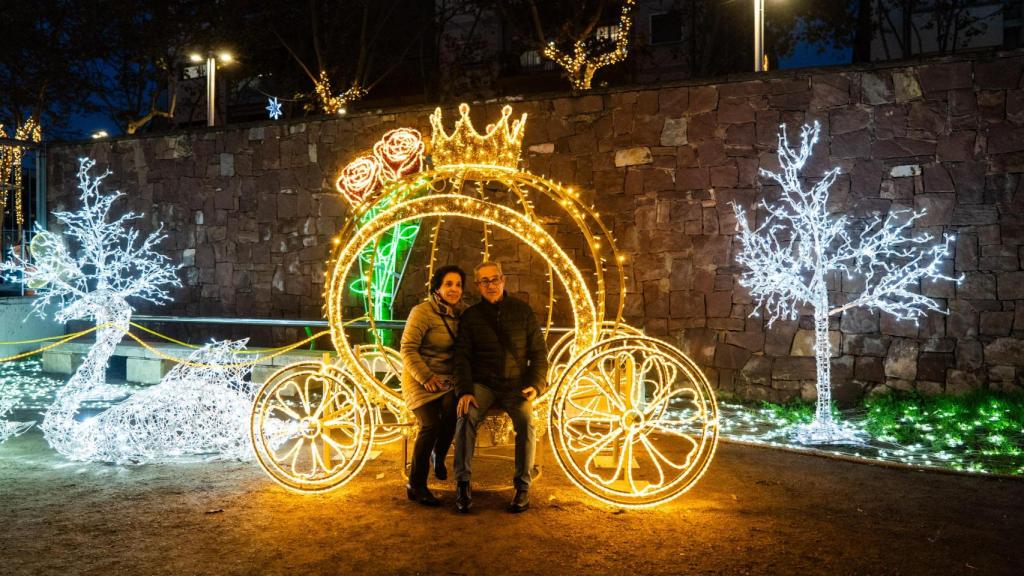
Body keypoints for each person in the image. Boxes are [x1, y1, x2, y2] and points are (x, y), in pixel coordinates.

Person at [452, 261, 548, 513]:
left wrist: (536, 385)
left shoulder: (522, 311)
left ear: (503, 280)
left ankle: (522, 487)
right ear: (478, 285)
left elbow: (539, 353)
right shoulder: (471, 316)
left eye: (494, 279)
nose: (491, 285)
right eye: (485, 281)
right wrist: (465, 391)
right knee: (466, 415)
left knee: (526, 422)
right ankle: (462, 484)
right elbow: (461, 357)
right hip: (483, 384)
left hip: (515, 384)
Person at [400, 264, 466, 506]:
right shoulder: (422, 312)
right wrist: (426, 377)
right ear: (437, 287)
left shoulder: (462, 314)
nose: (454, 289)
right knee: (430, 425)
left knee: (453, 411)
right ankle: (416, 484)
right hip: (420, 379)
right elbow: (407, 349)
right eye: (448, 284)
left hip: (447, 380)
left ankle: (439, 454)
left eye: (458, 285)